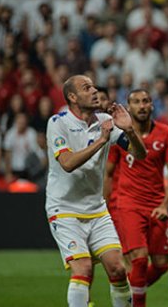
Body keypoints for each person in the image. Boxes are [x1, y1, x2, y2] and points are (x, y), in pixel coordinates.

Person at [46, 75, 146, 307]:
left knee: (118, 268)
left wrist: (130, 130)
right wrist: (101, 140)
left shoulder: (104, 120)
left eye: (93, 86)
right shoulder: (58, 122)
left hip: (96, 209)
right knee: (83, 268)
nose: (94, 91)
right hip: (64, 209)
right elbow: (68, 163)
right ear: (72, 97)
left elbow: (140, 154)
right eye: (86, 87)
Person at [104, 89, 168, 307]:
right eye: (136, 102)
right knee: (139, 258)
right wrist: (106, 205)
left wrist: (165, 205)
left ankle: (126, 290)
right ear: (129, 107)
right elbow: (108, 173)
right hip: (128, 204)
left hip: (156, 205)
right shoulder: (120, 136)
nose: (142, 106)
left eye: (145, 101)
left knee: (161, 265)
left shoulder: (166, 133)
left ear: (152, 105)